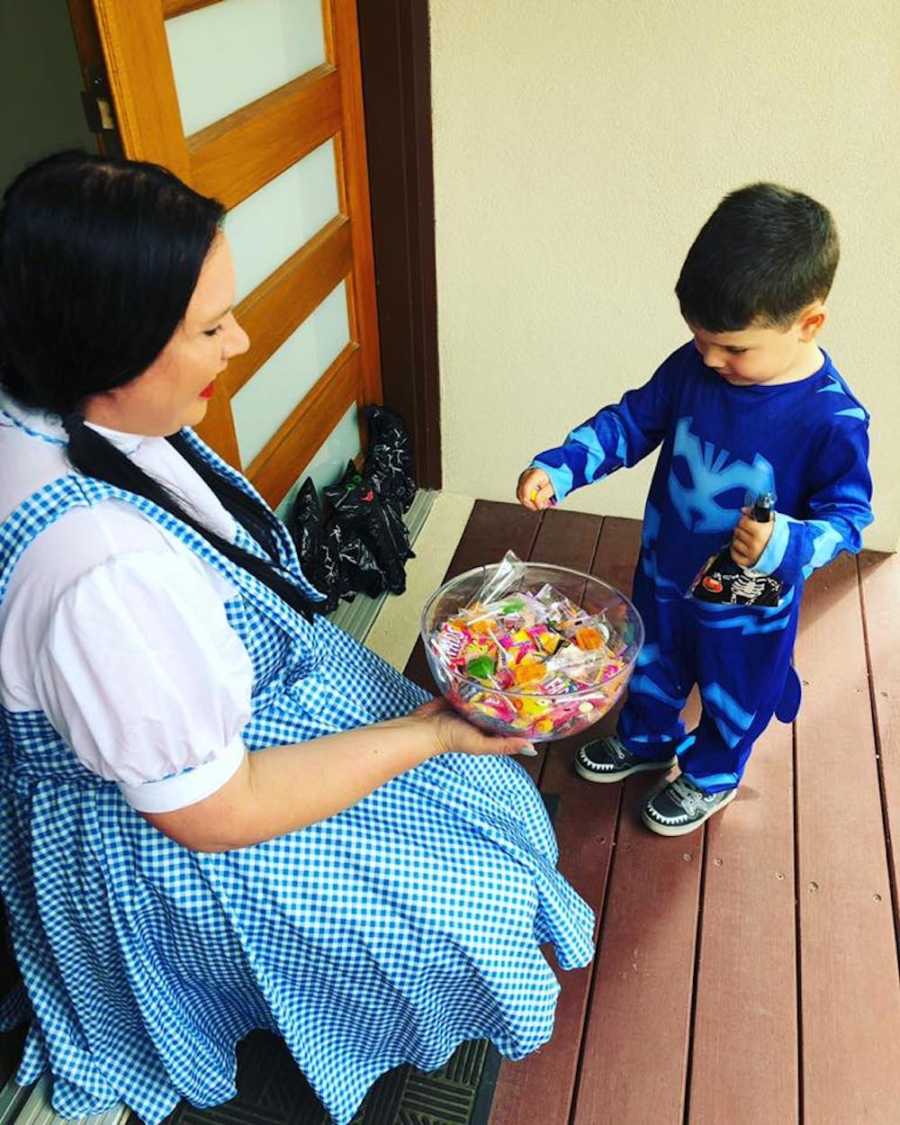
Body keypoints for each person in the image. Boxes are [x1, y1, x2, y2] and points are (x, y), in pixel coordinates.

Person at [0, 151, 595, 1125]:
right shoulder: (95, 569)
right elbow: (213, 813)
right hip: (167, 814)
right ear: (107, 345)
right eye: (207, 328)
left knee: (494, 798)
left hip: (210, 707)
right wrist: (436, 731)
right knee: (470, 906)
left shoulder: (51, 390)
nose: (238, 341)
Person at [517, 182, 873, 836]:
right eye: (700, 339)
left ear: (809, 323)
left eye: (734, 348)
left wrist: (786, 544)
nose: (711, 358)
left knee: (735, 688)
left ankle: (712, 772)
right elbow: (632, 422)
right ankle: (647, 734)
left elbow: (849, 521)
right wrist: (562, 465)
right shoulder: (695, 366)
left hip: (748, 597)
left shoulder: (831, 418)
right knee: (651, 654)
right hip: (665, 567)